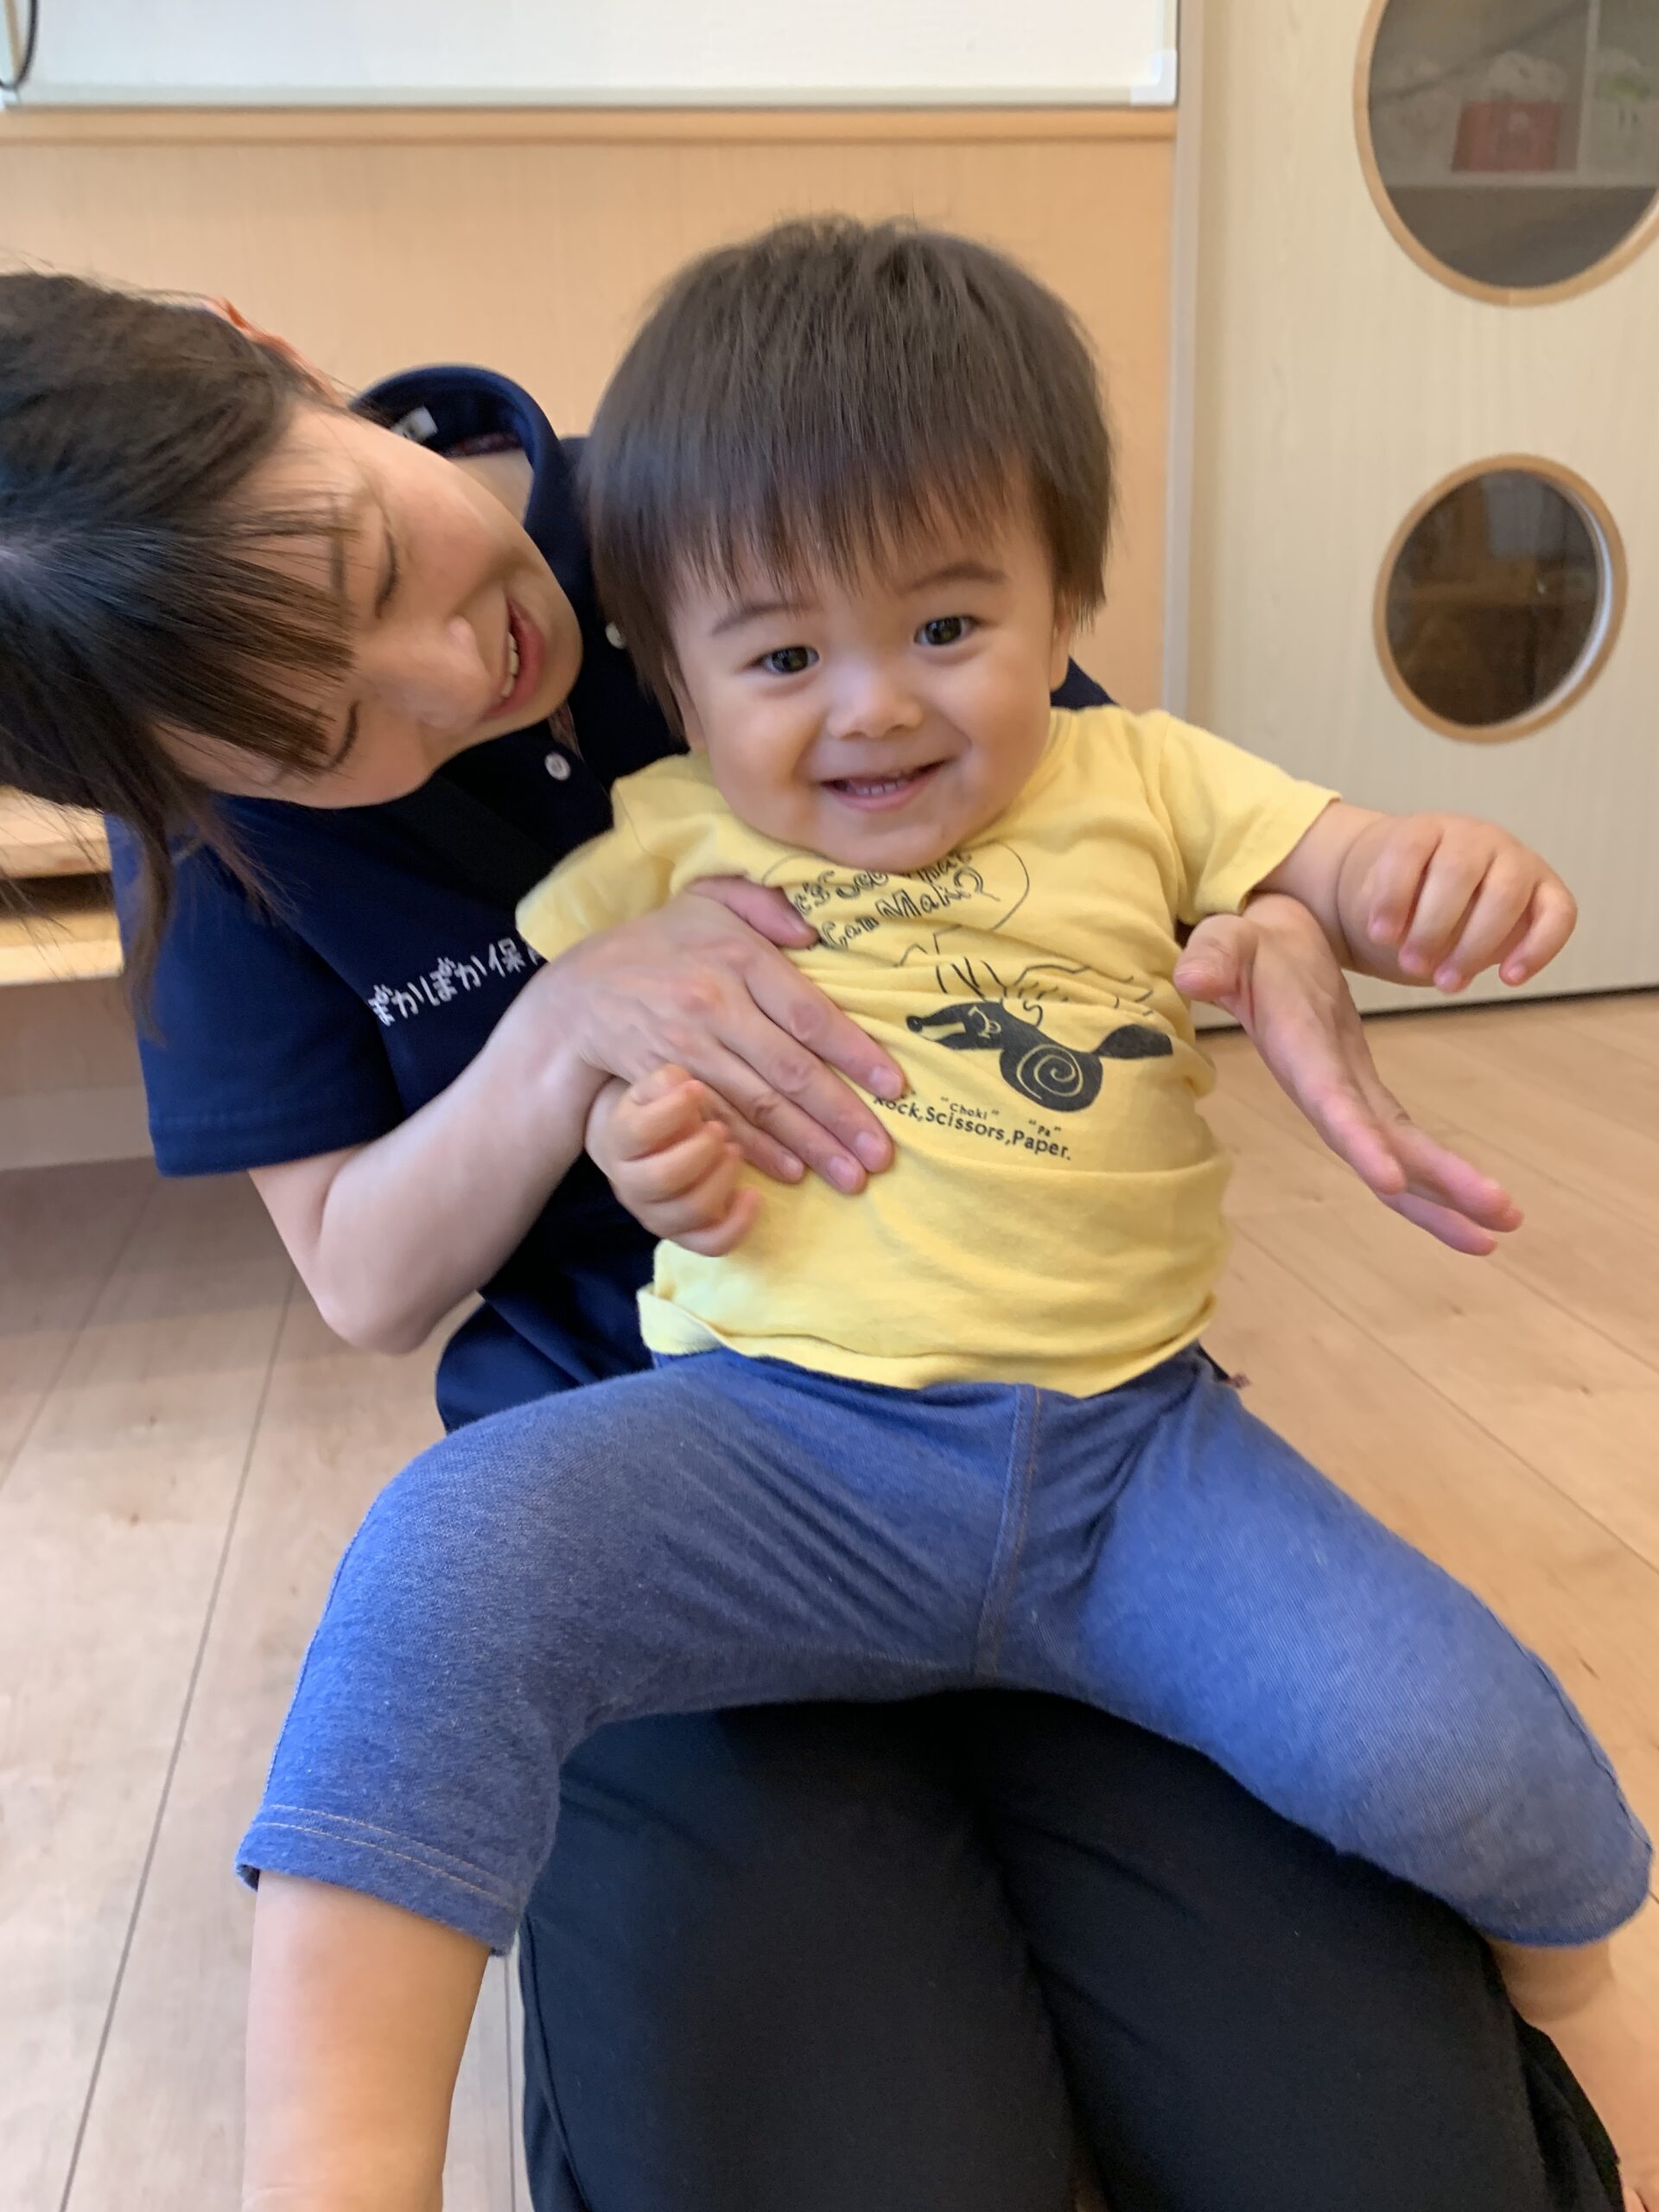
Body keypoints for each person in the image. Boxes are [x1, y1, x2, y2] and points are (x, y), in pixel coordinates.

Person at [0, 264, 1628, 2212]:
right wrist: (569, 1040)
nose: (448, 676)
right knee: (849, 2137)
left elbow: (1118, 812)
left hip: (1099, 1432)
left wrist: (1285, 909)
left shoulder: (764, 484)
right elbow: (364, 1277)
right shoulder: (225, 832)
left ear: (268, 350)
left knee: (1397, 2127)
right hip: (708, 1448)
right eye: (315, 733)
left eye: (371, 567)